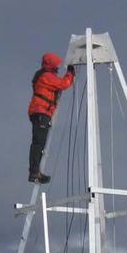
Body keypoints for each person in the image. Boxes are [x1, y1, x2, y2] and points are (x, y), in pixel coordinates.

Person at [27, 52, 75, 183]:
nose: (58, 67)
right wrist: (71, 73)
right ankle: (34, 173)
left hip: (39, 112)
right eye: (56, 64)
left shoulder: (42, 75)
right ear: (51, 64)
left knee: (39, 143)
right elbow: (64, 84)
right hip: (41, 112)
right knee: (38, 144)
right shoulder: (47, 76)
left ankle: (35, 172)